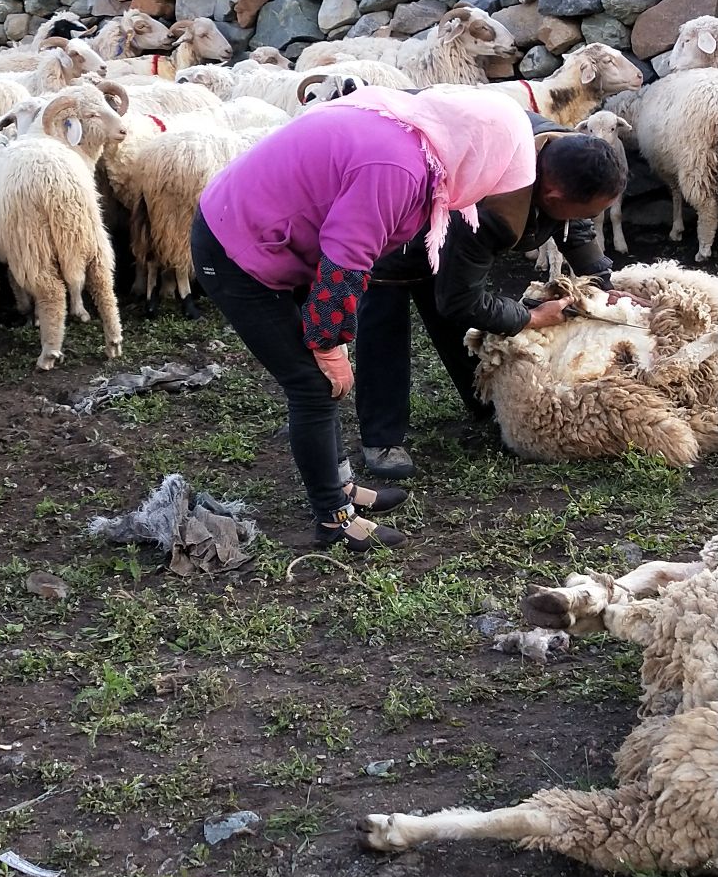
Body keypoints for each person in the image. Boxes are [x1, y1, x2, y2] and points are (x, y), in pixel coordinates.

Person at [191, 84, 538, 552]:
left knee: (319, 380)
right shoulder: (395, 166)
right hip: (238, 248)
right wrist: (329, 345)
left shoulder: (417, 149)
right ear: (479, 148)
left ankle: (342, 488)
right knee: (313, 384)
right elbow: (346, 261)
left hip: (267, 232)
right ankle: (333, 518)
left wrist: (325, 335)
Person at [355, 119, 629, 479]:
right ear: (553, 197)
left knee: (460, 317)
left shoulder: (567, 153)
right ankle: (382, 436)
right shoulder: (492, 209)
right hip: (392, 207)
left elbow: (573, 222)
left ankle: (488, 402)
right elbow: (459, 299)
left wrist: (603, 280)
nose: (588, 218)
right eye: (587, 210)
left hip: (449, 197)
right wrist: (530, 317)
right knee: (387, 314)